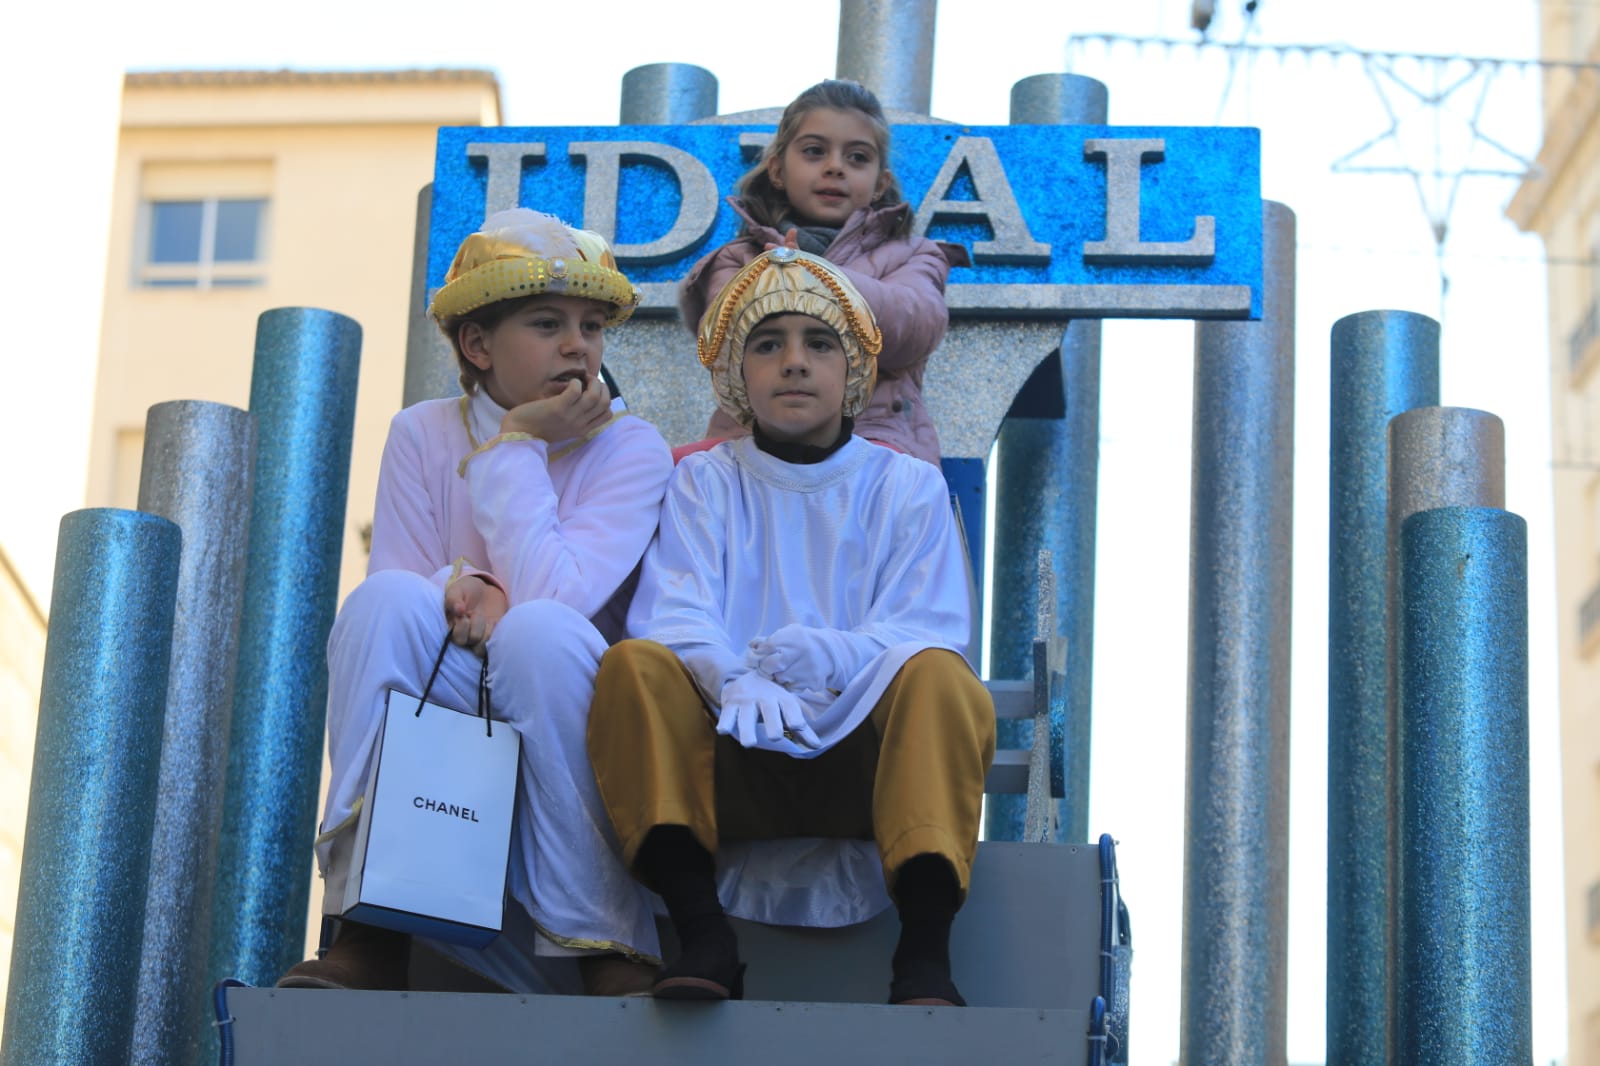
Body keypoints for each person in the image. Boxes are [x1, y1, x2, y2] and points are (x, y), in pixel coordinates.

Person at [278, 209, 672, 997]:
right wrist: (454, 586)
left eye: (592, 327)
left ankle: (605, 942)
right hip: (455, 693)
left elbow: (561, 599)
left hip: (570, 705)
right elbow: (398, 582)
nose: (578, 346)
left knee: (539, 632)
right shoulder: (421, 431)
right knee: (382, 602)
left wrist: (517, 446)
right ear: (477, 345)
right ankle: (369, 927)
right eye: (547, 322)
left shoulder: (633, 446)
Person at [588, 248, 995, 1006]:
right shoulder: (703, 479)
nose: (794, 363)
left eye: (819, 343)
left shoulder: (907, 485)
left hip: (869, 775)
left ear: (855, 370)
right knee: (633, 667)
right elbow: (674, 612)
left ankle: (925, 957)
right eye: (768, 344)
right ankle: (704, 935)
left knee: (942, 679)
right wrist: (730, 675)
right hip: (728, 760)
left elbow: (929, 627)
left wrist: (832, 655)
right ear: (739, 375)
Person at [677, 78, 967, 466]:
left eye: (857, 158)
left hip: (876, 444)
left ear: (881, 183)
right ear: (778, 170)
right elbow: (724, 344)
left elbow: (914, 328)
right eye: (814, 152)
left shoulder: (916, 255)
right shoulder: (739, 259)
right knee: (665, 470)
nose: (834, 167)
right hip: (748, 444)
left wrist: (814, 274)